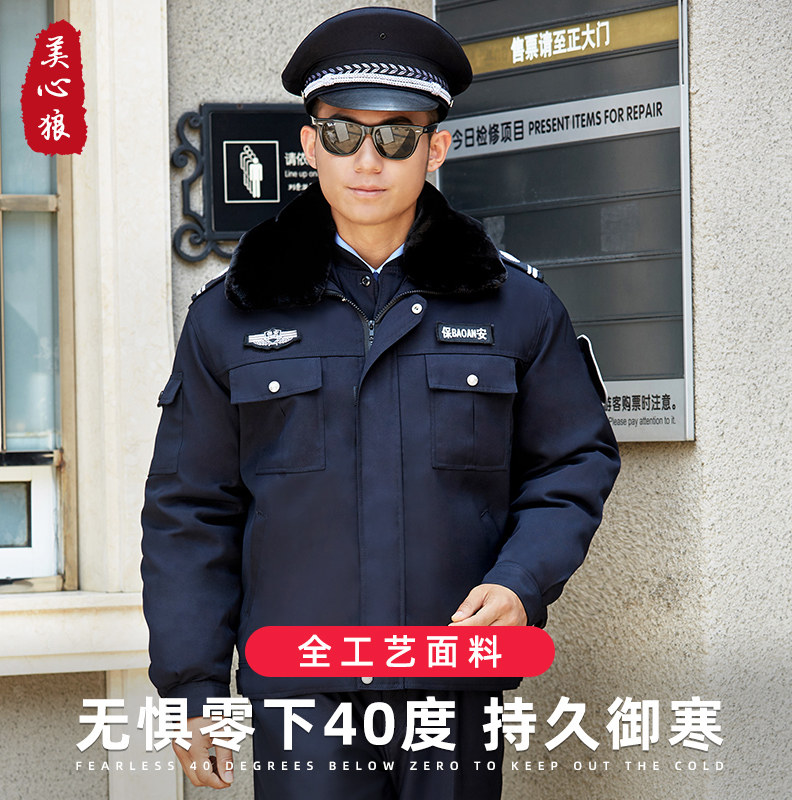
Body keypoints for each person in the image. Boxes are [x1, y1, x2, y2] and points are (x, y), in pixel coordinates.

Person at [141, 7, 620, 799]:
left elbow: (572, 463)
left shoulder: (516, 307)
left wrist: (522, 580)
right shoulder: (232, 315)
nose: (368, 161)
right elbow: (190, 508)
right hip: (301, 696)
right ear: (309, 145)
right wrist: (192, 687)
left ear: (437, 148)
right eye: (342, 134)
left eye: (397, 136)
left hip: (450, 688)